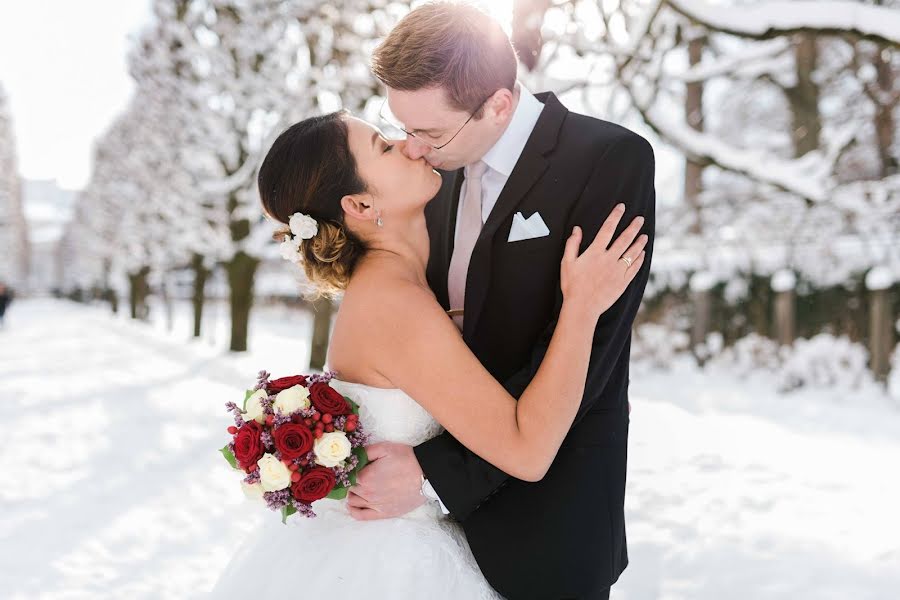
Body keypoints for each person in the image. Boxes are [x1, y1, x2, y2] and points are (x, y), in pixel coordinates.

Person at [209, 107, 646, 598]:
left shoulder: (400, 280)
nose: (409, 144)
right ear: (358, 205)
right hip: (393, 566)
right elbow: (527, 450)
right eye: (382, 146)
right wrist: (582, 308)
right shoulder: (393, 304)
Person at [342, 4, 656, 599]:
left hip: (547, 513)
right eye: (402, 128)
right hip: (417, 529)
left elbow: (590, 357)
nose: (412, 149)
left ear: (498, 105)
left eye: (429, 133)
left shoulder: (610, 160)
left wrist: (436, 477)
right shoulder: (429, 178)